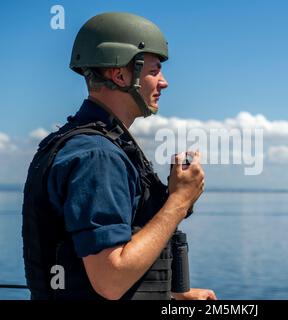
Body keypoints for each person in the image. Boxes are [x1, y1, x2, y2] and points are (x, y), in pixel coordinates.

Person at [22, 12, 217, 300]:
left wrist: (171, 296)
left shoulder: (78, 142)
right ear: (121, 74)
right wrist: (179, 200)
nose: (164, 83)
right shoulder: (97, 156)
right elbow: (111, 279)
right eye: (155, 70)